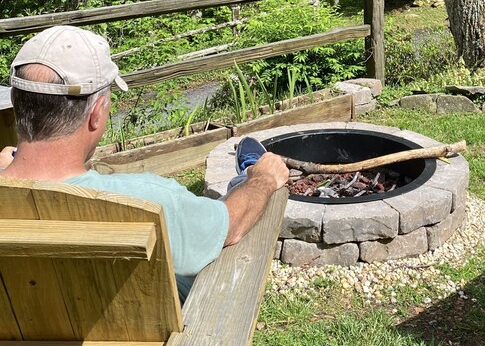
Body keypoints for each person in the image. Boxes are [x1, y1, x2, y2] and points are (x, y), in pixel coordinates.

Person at [0, 25, 289, 300]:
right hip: (159, 345)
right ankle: (247, 173)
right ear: (97, 114)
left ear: (16, 102)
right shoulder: (147, 200)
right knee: (239, 193)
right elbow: (232, 224)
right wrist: (263, 179)